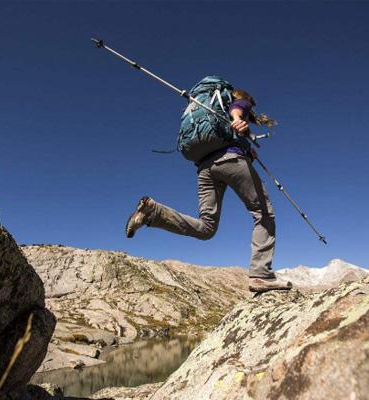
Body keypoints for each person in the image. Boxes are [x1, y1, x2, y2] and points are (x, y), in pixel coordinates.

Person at [125, 88, 292, 293]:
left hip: (205, 168)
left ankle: (153, 212)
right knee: (263, 214)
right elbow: (238, 109)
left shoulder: (206, 109)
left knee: (206, 228)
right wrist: (239, 118)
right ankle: (261, 275)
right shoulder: (238, 101)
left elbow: (232, 123)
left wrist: (247, 149)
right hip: (230, 160)